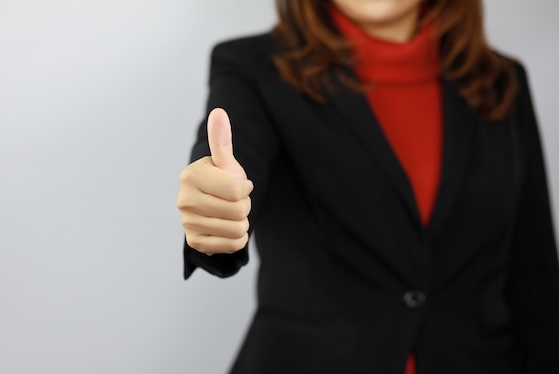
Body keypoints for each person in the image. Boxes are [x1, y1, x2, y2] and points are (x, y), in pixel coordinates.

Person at [176, 0, 559, 373]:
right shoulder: (252, 65)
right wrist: (215, 209)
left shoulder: (503, 81)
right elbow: (231, 165)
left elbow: (534, 273)